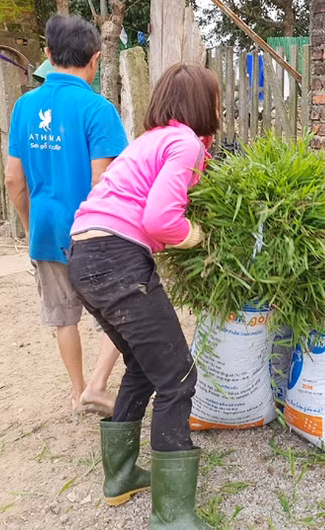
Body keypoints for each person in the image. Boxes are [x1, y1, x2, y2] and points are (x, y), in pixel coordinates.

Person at [66, 63, 219, 527]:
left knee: (142, 364)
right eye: (214, 101)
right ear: (202, 106)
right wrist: (197, 235)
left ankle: (121, 477)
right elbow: (159, 221)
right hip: (116, 258)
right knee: (178, 376)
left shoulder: (150, 139)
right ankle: (173, 517)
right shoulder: (185, 143)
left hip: (83, 253)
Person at [4, 14, 127, 416]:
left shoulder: (24, 106)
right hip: (91, 234)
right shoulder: (97, 109)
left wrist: (29, 227)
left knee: (63, 317)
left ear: (47, 54)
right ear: (95, 59)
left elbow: (12, 180)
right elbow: (103, 183)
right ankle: (96, 385)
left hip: (44, 228)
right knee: (118, 312)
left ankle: (77, 393)